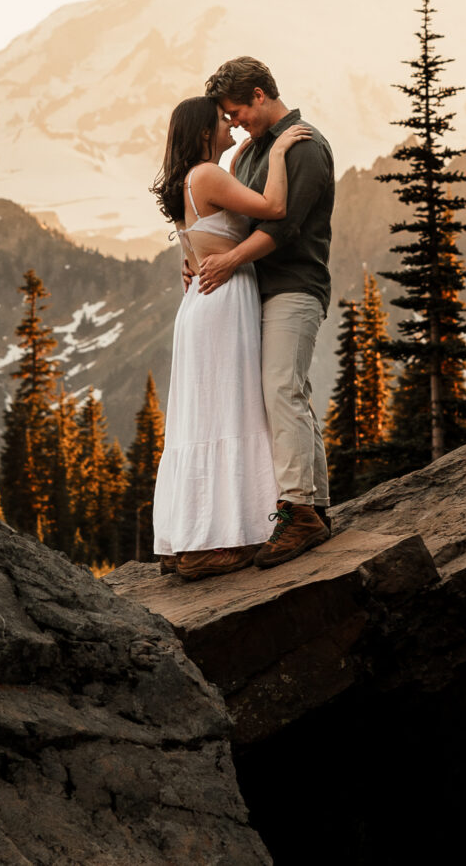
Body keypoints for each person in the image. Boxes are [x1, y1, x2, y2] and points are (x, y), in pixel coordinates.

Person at [148, 95, 311, 579]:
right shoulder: (207, 176)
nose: (231, 125)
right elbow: (275, 207)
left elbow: (198, 248)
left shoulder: (192, 180)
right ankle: (211, 547)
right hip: (224, 300)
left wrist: (243, 155)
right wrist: (280, 153)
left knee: (202, 417)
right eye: (222, 121)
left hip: (202, 300)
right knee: (230, 409)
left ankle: (188, 537)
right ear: (203, 132)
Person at [192, 55, 335, 568]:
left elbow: (284, 227)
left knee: (281, 387)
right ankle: (314, 505)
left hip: (294, 286)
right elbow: (234, 223)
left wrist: (229, 261)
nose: (232, 124)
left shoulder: (305, 146)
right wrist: (203, 260)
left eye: (236, 112)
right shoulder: (251, 154)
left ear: (258, 95)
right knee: (286, 390)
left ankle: (298, 511)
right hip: (257, 291)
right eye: (226, 118)